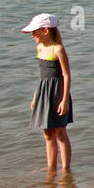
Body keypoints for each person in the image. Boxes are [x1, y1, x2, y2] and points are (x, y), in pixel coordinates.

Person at [23, 13, 73, 172]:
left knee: (60, 133)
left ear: (45, 31)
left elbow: (66, 75)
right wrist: (35, 97)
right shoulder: (39, 48)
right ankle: (51, 168)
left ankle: (65, 170)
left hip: (58, 94)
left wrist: (64, 100)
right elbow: (42, 76)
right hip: (43, 94)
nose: (32, 36)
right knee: (47, 134)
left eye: (34, 32)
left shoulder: (58, 49)